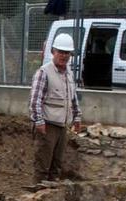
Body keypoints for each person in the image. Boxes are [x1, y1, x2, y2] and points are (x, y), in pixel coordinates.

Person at [28, 34, 84, 184]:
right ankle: (37, 196)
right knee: (42, 165)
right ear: (53, 51)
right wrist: (39, 121)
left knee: (56, 166)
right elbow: (35, 100)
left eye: (67, 53)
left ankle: (51, 197)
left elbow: (72, 97)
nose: (64, 56)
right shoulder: (44, 73)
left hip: (62, 126)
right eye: (61, 52)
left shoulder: (69, 73)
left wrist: (77, 117)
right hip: (47, 125)